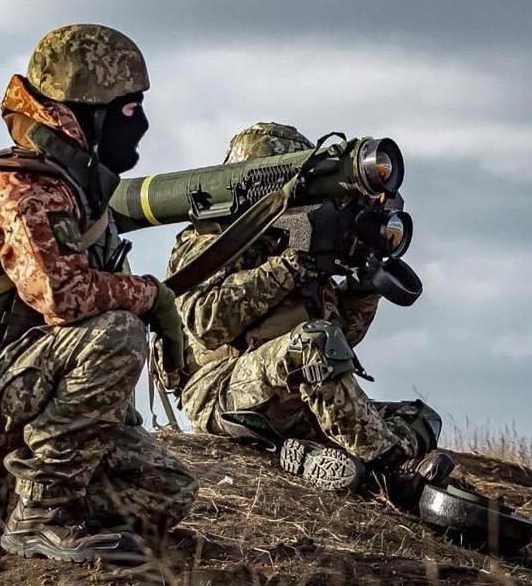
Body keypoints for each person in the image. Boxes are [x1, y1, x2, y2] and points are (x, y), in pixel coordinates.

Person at [0, 24, 197, 565]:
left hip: (13, 391)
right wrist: (151, 296)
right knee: (118, 332)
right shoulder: (20, 186)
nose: (143, 125)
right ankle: (42, 515)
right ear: (87, 113)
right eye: (128, 111)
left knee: (168, 491)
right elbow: (65, 298)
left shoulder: (78, 191)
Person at [163, 122, 449, 507]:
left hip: (294, 399)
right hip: (222, 392)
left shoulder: (300, 235)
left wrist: (364, 283)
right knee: (312, 342)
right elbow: (206, 323)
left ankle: (325, 460)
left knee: (423, 419)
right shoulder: (211, 237)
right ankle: (390, 470)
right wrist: (292, 266)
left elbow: (341, 339)